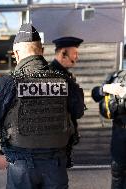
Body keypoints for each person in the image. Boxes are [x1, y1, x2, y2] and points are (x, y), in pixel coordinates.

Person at [0, 23, 84, 189]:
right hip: (56, 164)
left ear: (16, 54)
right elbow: (77, 112)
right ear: (41, 50)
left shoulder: (8, 83)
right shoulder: (65, 81)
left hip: (22, 167)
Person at [49, 37, 85, 168]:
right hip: (58, 139)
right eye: (74, 53)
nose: (77, 57)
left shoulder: (54, 73)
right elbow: (77, 110)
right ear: (63, 53)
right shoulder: (59, 77)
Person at [92, 72, 126, 189]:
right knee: (117, 175)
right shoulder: (117, 76)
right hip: (120, 137)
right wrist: (106, 88)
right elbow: (95, 94)